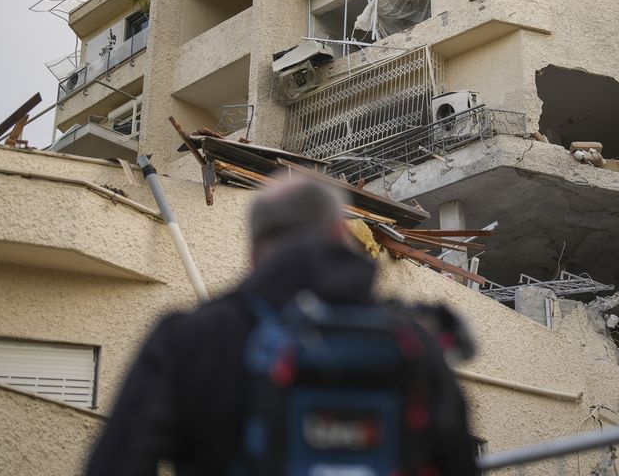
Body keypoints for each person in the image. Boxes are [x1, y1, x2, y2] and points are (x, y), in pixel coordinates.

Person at [86, 176, 479, 476]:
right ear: (337, 236)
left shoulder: (191, 339)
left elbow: (116, 463)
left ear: (254, 252)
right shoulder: (413, 342)